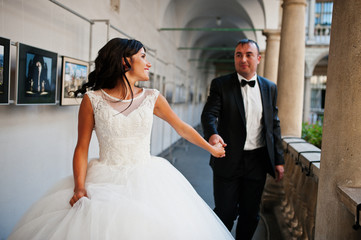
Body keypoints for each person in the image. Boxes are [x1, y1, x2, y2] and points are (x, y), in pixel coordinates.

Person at [9, 38, 234, 240]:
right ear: (125, 62)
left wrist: (210, 148)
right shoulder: (93, 99)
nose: (148, 63)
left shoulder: (152, 97)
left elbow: (182, 128)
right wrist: (79, 187)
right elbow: (82, 148)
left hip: (148, 178)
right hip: (102, 179)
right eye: (143, 57)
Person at [201, 39, 284, 240]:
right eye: (238, 54)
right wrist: (213, 135)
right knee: (225, 213)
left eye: (248, 54)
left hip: (257, 160)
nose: (243, 59)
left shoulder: (269, 87)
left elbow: (273, 124)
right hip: (227, 157)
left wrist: (279, 160)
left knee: (250, 215)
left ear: (258, 58)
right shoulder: (221, 84)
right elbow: (209, 114)